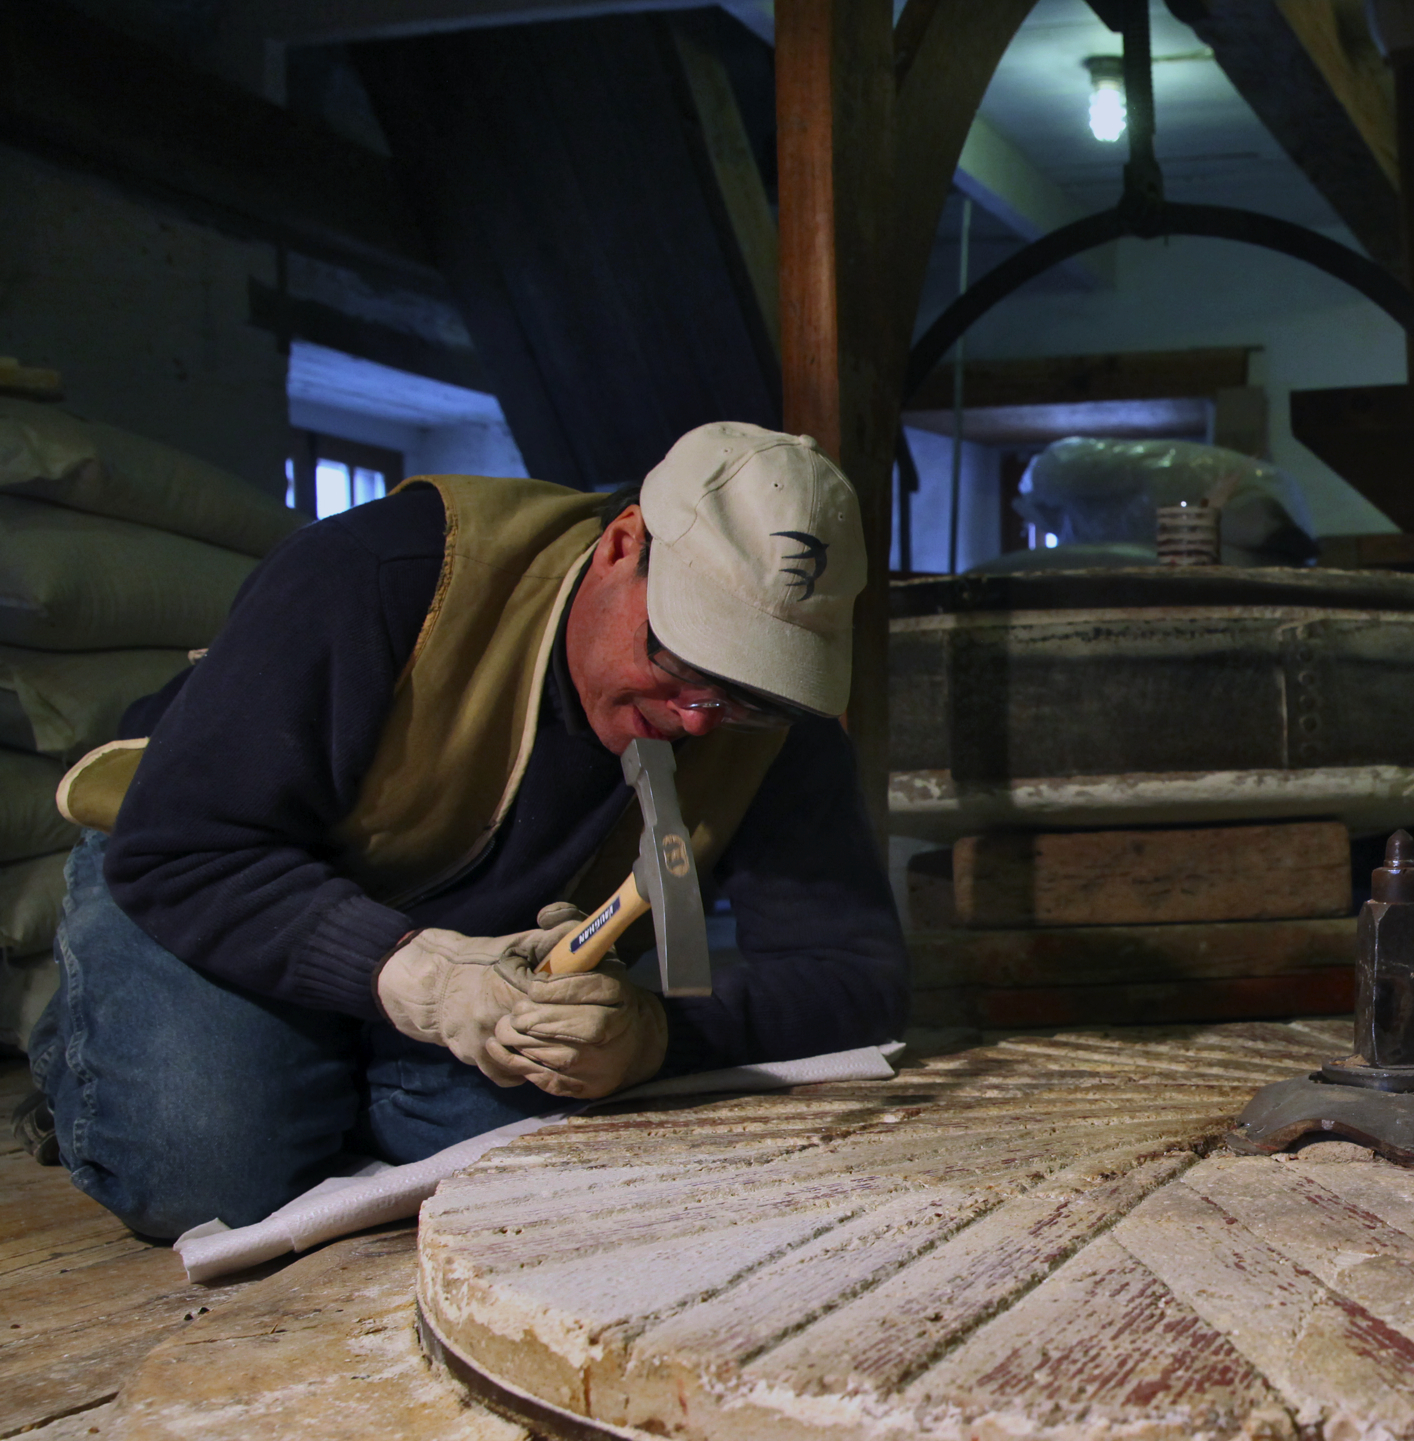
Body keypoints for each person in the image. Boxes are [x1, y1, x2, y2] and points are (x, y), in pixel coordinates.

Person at [26, 422, 909, 1240]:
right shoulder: (380, 575)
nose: (697, 717)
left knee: (525, 1150)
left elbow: (852, 978)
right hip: (220, 877)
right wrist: (415, 976)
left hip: (472, 943)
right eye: (680, 657)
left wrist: (656, 1038)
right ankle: (93, 1046)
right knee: (208, 1170)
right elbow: (181, 848)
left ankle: (338, 1062)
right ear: (621, 545)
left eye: (744, 690)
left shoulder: (764, 721)